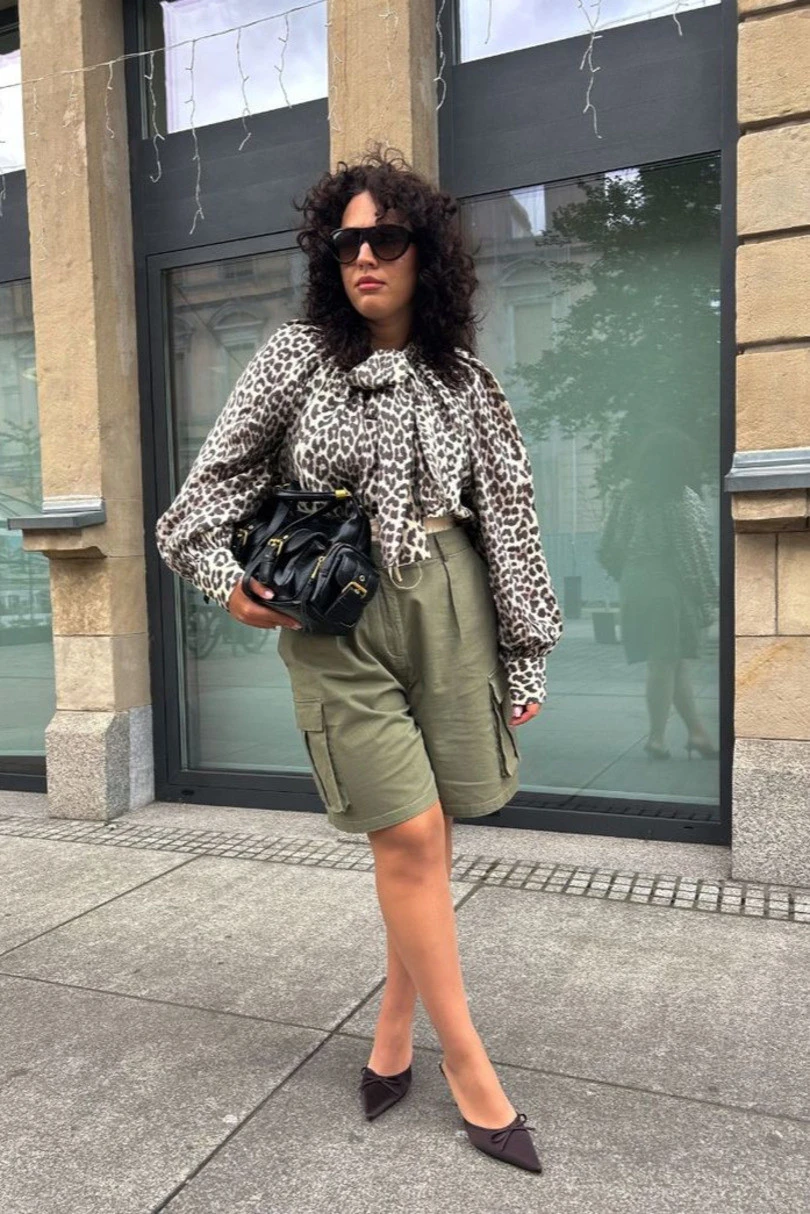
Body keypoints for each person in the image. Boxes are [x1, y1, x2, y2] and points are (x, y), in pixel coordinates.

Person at [155, 146, 563, 1174]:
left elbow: (511, 516)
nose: (365, 258)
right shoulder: (295, 360)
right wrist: (225, 579)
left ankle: (392, 1027)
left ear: (428, 255)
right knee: (408, 831)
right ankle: (470, 1066)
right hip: (336, 616)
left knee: (429, 833)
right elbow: (199, 502)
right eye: (346, 244)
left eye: (386, 239)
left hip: (453, 603)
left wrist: (524, 650)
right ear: (326, 257)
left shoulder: (465, 377)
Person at [597, 427, 718, 760]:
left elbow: (607, 546)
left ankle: (697, 733)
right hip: (669, 585)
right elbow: (694, 555)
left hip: (635, 582)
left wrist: (628, 573)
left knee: (672, 662)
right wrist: (708, 598)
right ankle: (657, 738)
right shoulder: (682, 499)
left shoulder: (629, 495)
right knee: (665, 662)